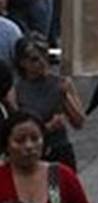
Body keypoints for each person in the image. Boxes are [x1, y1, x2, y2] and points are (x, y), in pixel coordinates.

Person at [0, 111, 93, 203]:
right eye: (20, 140)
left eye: (35, 139)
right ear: (6, 145)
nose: (29, 146)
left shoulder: (61, 174)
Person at [13, 37, 84, 169]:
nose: (42, 62)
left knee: (57, 188)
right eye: (34, 59)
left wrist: (65, 97)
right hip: (33, 154)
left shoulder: (60, 82)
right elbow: (16, 128)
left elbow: (79, 122)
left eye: (45, 56)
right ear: (23, 63)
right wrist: (47, 127)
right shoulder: (18, 90)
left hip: (59, 149)